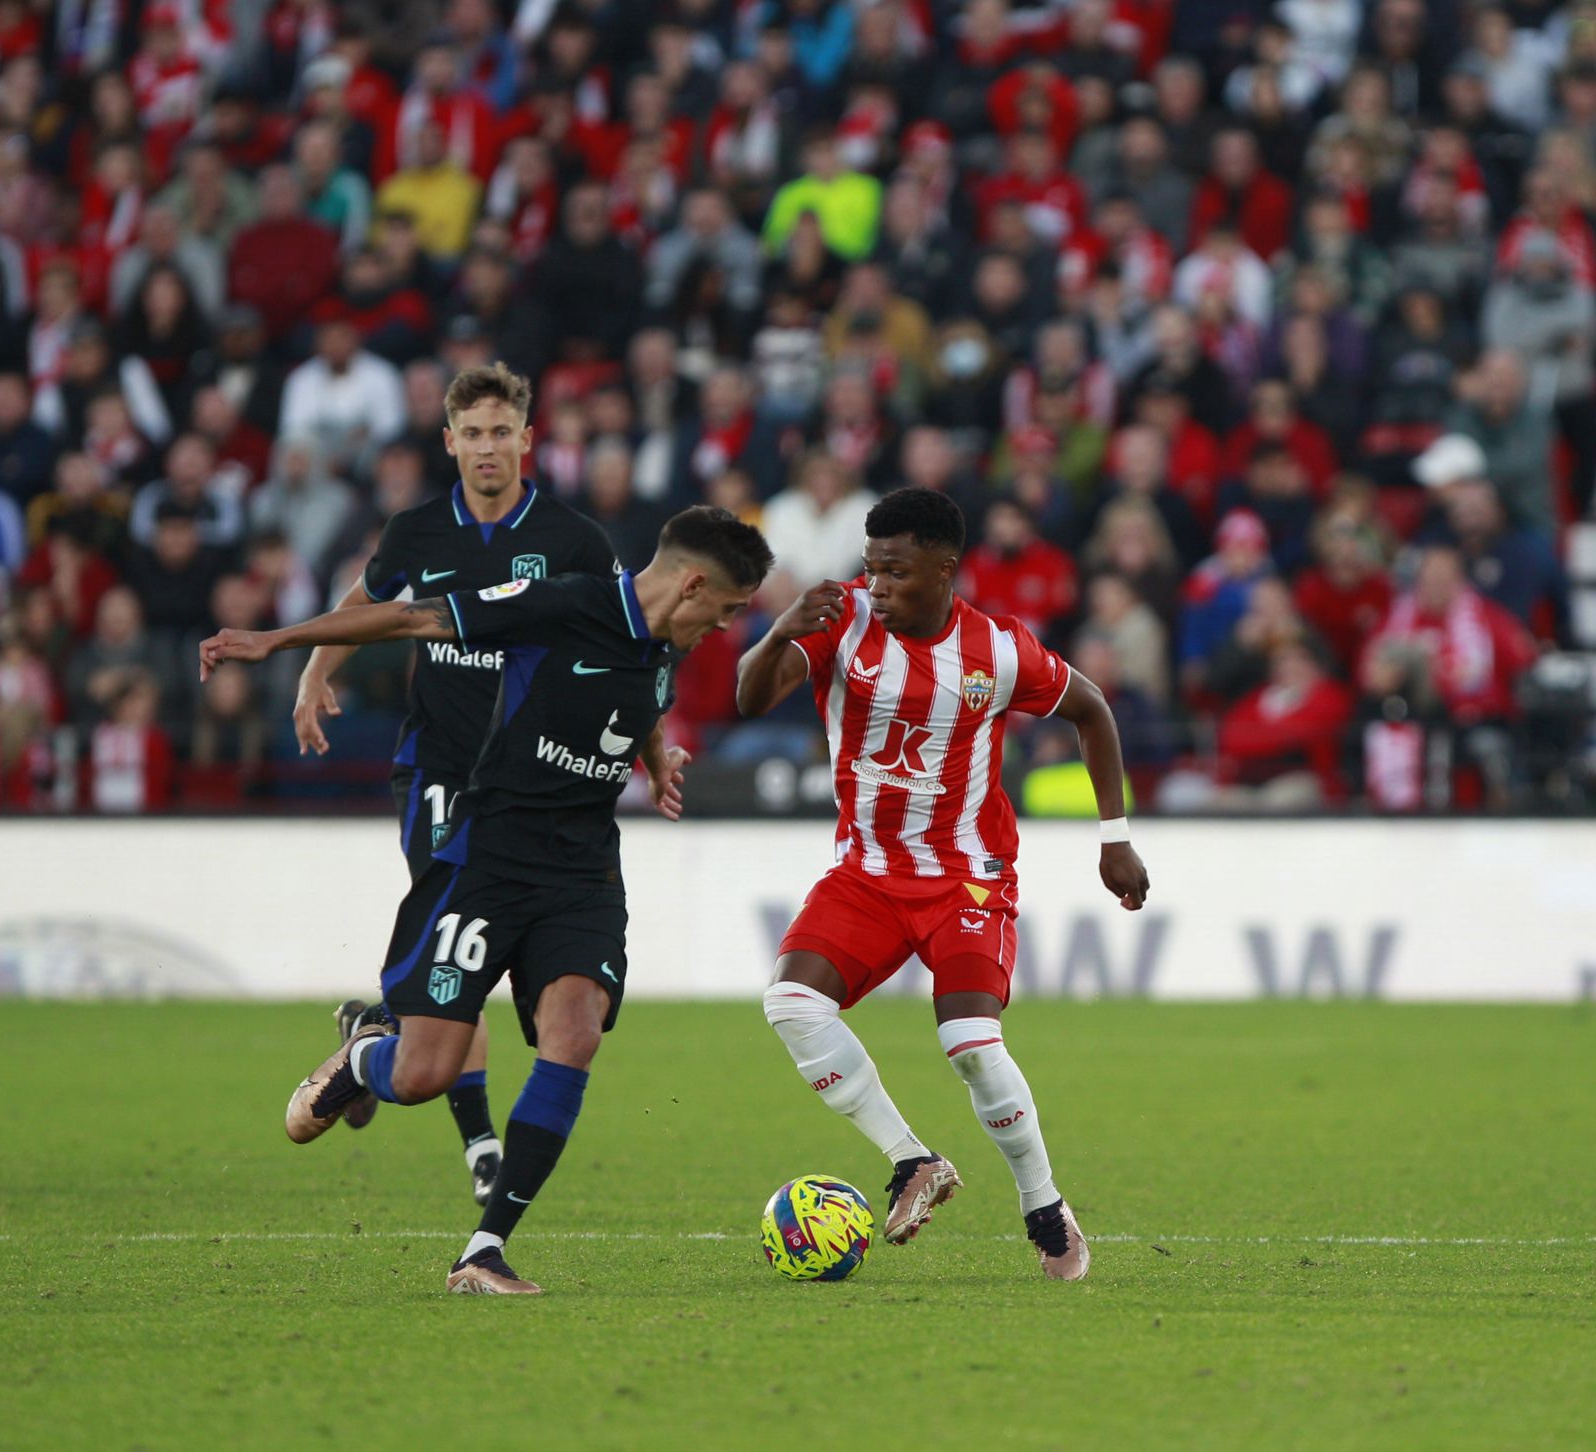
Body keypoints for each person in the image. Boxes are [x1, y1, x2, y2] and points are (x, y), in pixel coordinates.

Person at [200, 506, 774, 1295]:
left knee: (573, 1033)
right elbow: (411, 615)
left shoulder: (668, 645)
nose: (728, 624)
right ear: (695, 584)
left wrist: (655, 757)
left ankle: (483, 1249)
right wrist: (280, 645)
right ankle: (368, 1052)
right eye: (731, 608)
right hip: (487, 863)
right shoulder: (564, 603)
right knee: (425, 1073)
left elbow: (636, 705)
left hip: (583, 877)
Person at [735, 487, 1149, 1282]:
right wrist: (783, 627)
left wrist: (1114, 839)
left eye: (895, 570)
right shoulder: (843, 623)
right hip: (865, 874)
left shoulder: (998, 651)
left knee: (968, 1043)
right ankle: (912, 1160)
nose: (878, 585)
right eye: (871, 567)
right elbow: (751, 696)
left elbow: (1092, 708)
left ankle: (1043, 1206)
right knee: (790, 1002)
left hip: (966, 878)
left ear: (943, 569)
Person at [290, 361, 616, 1207]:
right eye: (471, 434)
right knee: (458, 956)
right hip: (440, 774)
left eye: (501, 431)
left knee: (488, 962)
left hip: (534, 786)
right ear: (449, 443)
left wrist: (650, 751)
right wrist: (315, 672)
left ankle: (376, 1039)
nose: (487, 448)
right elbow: (371, 597)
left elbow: (623, 650)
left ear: (527, 440)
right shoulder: (418, 532)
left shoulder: (576, 540)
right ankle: (479, 1145)